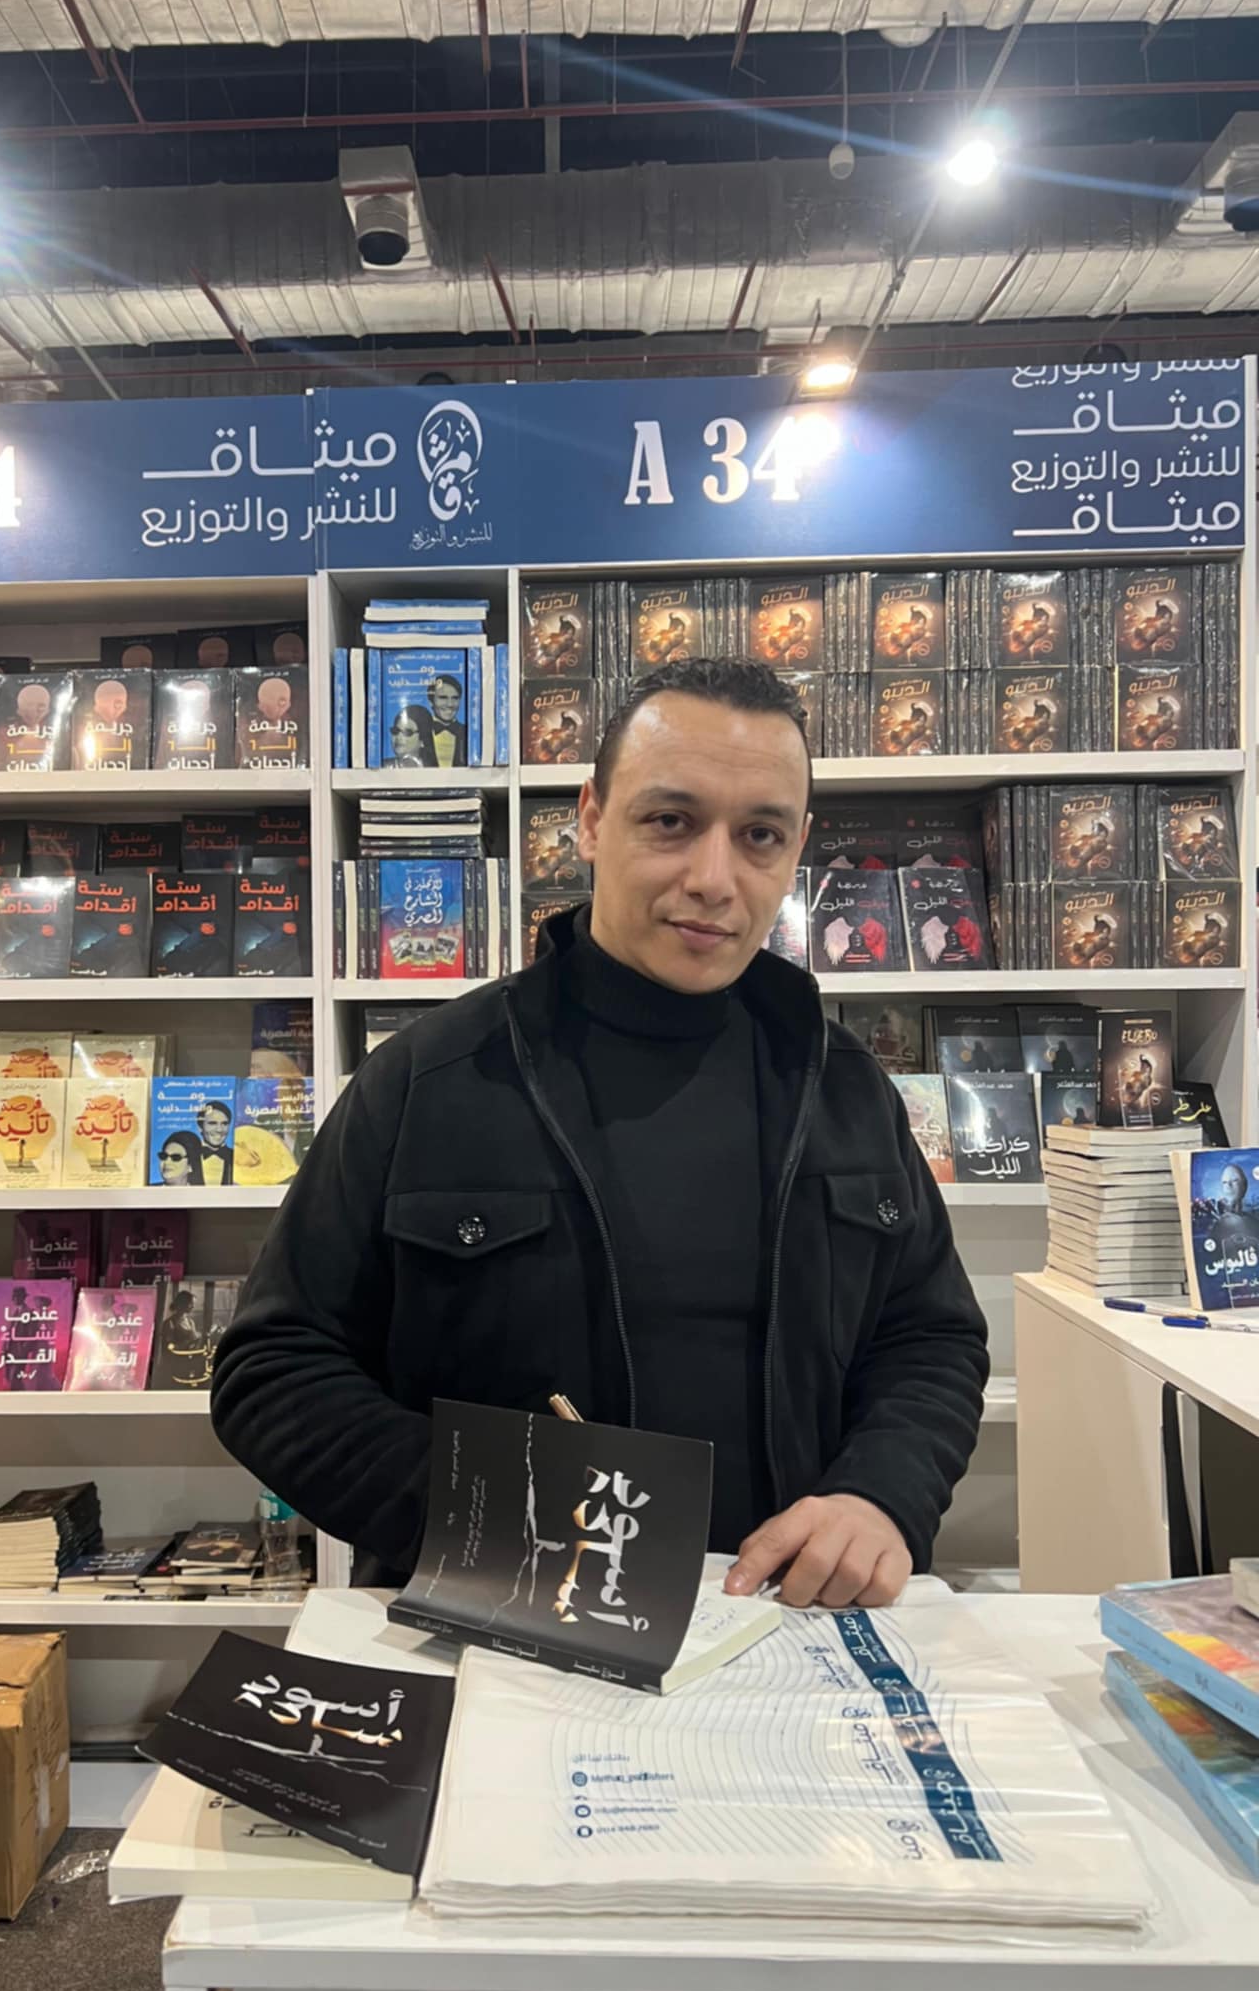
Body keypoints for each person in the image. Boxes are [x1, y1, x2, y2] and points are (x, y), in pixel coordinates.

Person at [214, 657, 988, 1607]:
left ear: (798, 849)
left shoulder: (845, 1087)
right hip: (505, 1621)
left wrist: (880, 1496)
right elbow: (272, 1373)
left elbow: (929, 1337)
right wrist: (497, 1521)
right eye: (671, 821)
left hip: (788, 1627)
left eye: (759, 835)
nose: (714, 879)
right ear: (589, 819)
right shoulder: (427, 1080)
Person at [425, 674, 466, 767]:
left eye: (455, 698)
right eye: (443, 698)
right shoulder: (420, 733)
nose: (450, 704)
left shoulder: (468, 733)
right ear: (431, 702)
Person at [196, 1101, 234, 1186]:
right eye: (212, 1123)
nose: (219, 1130)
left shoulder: (237, 1157)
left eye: (224, 1124)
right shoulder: (188, 1157)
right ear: (200, 1127)